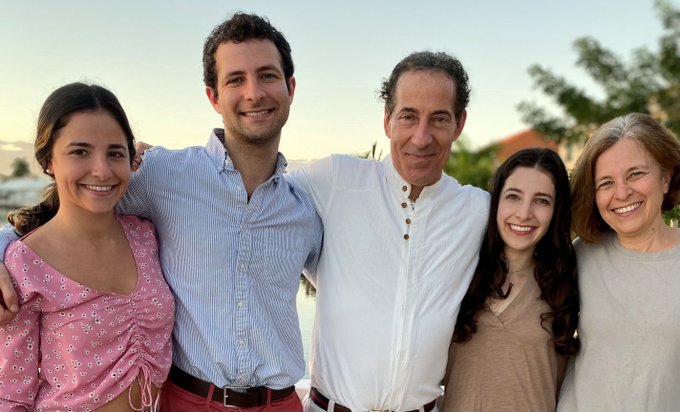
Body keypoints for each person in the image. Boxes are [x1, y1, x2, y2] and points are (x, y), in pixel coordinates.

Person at [0, 13, 322, 412]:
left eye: (267, 75)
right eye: (235, 79)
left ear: (290, 87)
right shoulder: (162, 176)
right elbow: (78, 201)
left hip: (281, 403)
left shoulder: (307, 209)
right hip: (188, 401)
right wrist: (3, 247)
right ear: (213, 97)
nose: (254, 92)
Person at [290, 51, 490, 412]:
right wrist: (154, 159)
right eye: (408, 117)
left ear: (459, 124)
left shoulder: (476, 210)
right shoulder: (336, 181)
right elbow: (251, 187)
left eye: (439, 119)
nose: (421, 137)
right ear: (387, 121)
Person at [0, 82, 175, 411]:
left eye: (114, 153)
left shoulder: (145, 236)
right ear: (47, 160)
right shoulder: (23, 264)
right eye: (80, 151)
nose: (102, 170)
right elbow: (10, 394)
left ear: (132, 159)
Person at [557, 113, 680, 412]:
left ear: (665, 178)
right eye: (606, 183)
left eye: (636, 174)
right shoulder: (578, 257)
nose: (622, 193)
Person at [442, 148, 580, 412]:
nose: (524, 213)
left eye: (542, 201)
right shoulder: (460, 270)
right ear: (496, 201)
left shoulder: (569, 280)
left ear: (556, 211)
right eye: (513, 197)